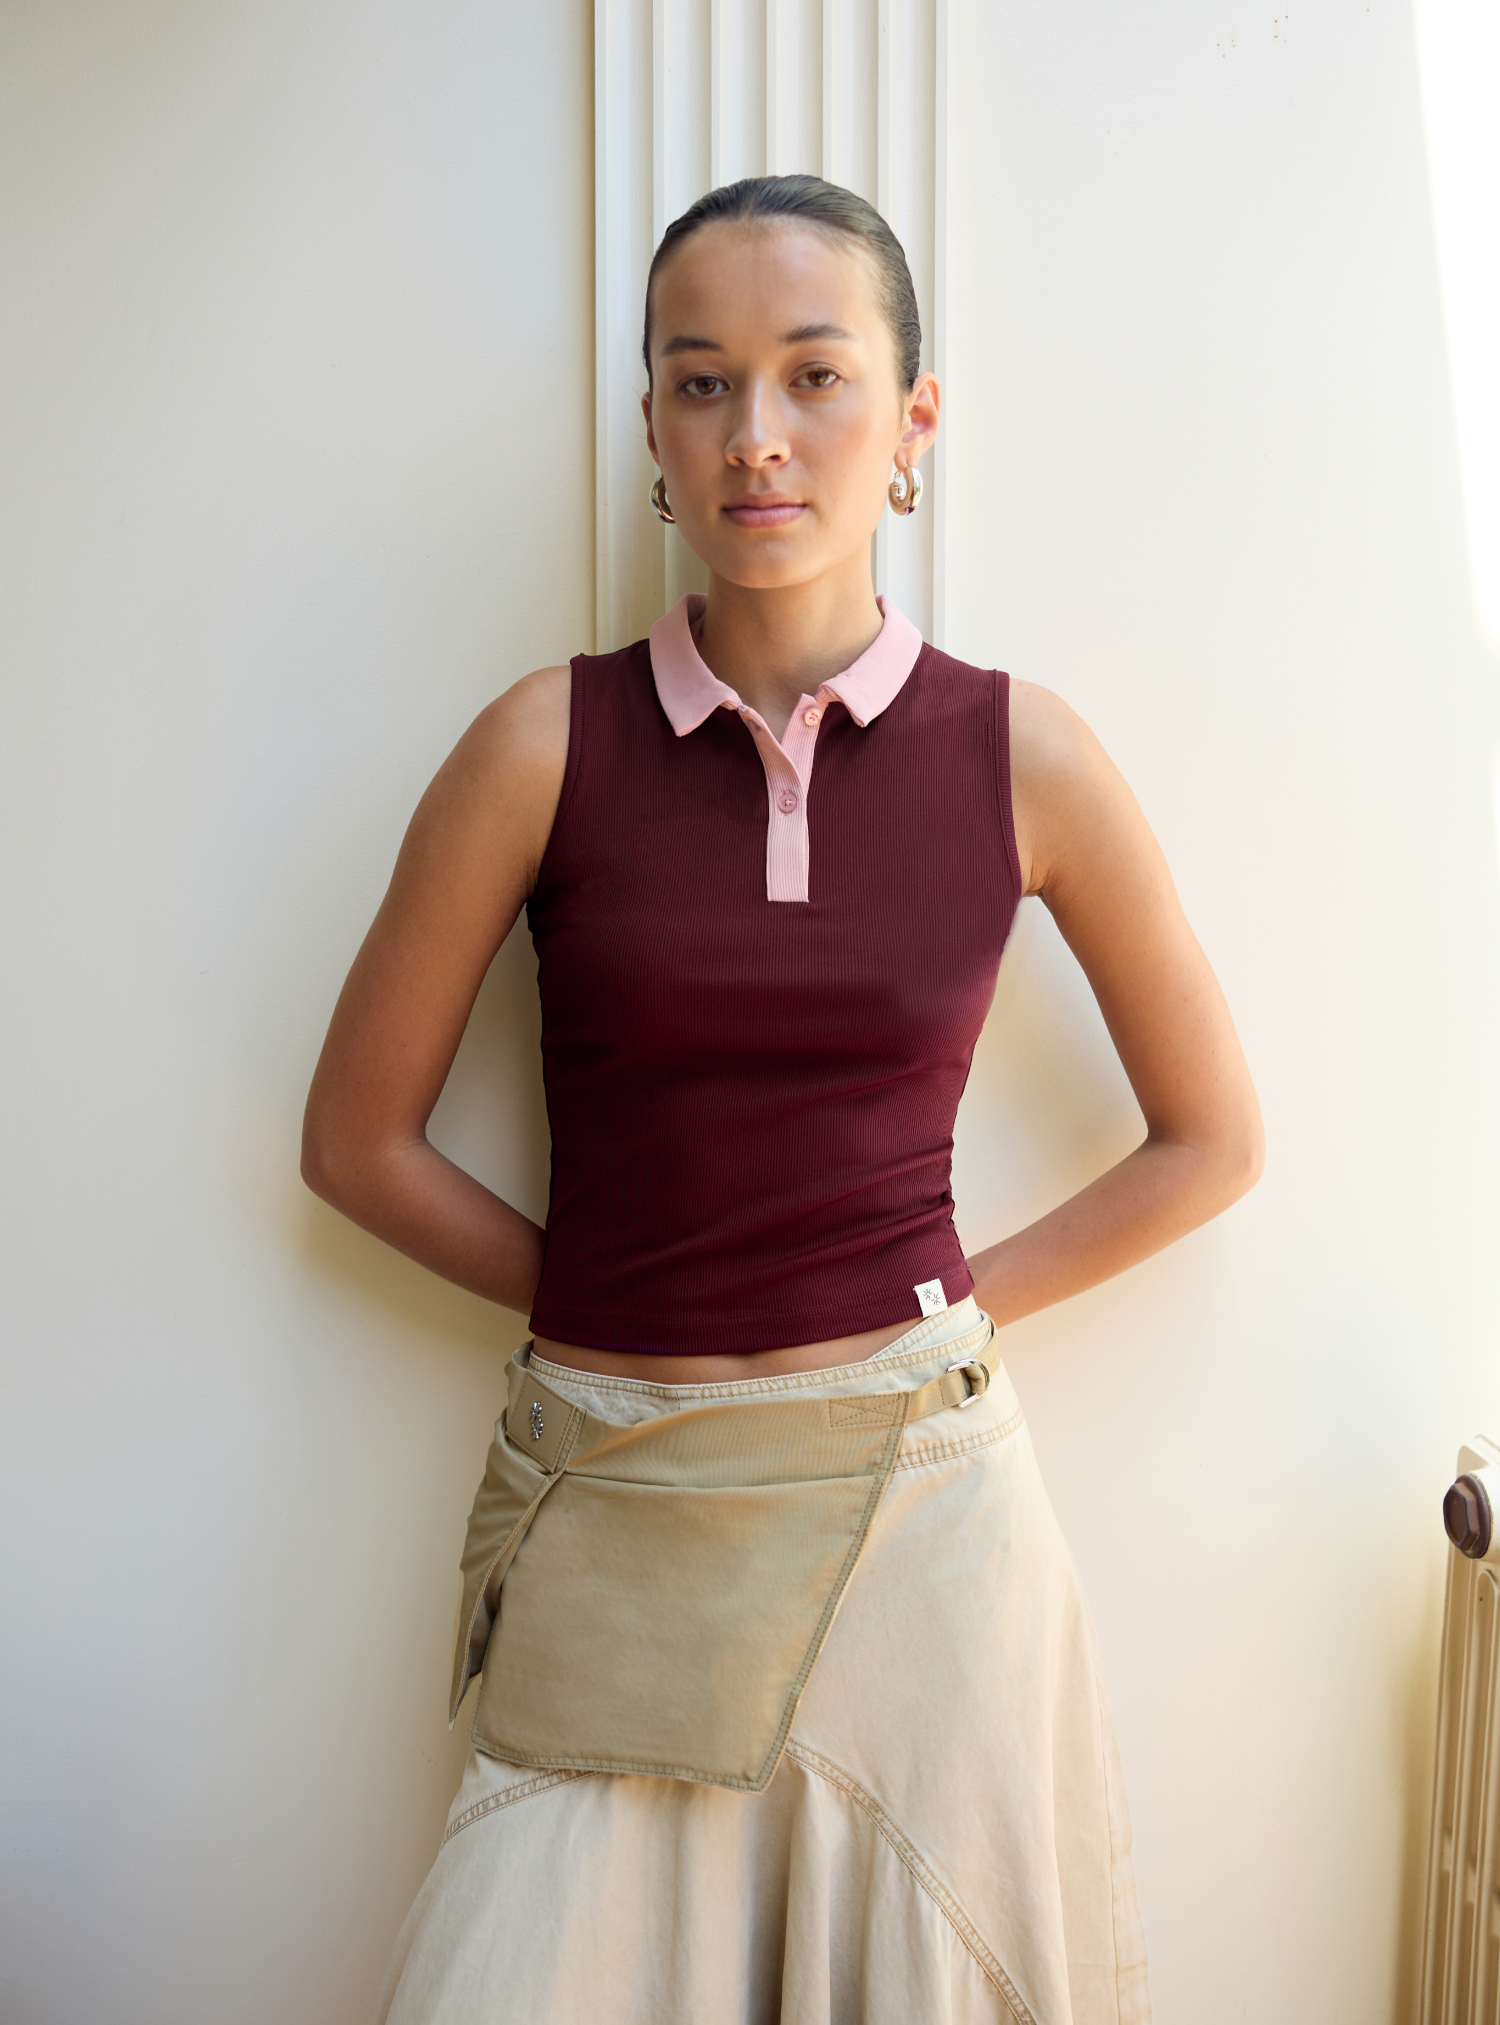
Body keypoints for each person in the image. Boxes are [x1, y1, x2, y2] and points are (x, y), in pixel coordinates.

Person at [302, 174, 1263, 2025]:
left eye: (816, 376)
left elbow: (1212, 1138)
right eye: (702, 381)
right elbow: (357, 1143)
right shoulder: (540, 743)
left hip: (929, 1523)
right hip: (615, 1490)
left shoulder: (1023, 754)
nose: (757, 433)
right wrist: (621, 1294)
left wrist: (947, 1314)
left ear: (912, 423)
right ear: (655, 432)